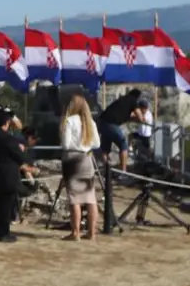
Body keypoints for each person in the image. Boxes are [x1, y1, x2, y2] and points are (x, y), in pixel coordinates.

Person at [0, 106, 36, 243]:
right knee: (6, 205)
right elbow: (20, 156)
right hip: (7, 175)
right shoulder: (9, 139)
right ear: (6, 122)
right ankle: (4, 233)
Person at [60, 92, 102, 241]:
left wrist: (76, 145)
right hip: (87, 159)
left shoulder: (69, 121)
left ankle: (76, 232)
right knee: (90, 197)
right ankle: (92, 232)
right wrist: (85, 145)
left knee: (74, 198)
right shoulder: (90, 122)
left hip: (72, 159)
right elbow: (97, 144)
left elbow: (65, 144)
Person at [96, 88, 141, 173]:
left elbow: (125, 115)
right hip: (111, 124)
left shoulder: (123, 100)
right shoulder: (133, 100)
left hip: (102, 122)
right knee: (123, 146)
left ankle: (106, 170)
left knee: (105, 148)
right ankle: (123, 172)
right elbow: (140, 117)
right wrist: (142, 118)